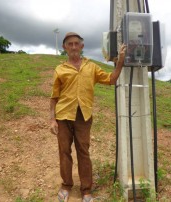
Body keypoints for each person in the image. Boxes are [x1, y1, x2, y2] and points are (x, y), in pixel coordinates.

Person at [50, 32, 126, 202]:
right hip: (63, 116)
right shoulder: (60, 69)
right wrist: (52, 119)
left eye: (77, 43)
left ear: (82, 46)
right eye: (70, 44)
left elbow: (111, 79)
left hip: (83, 116)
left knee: (83, 152)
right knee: (64, 152)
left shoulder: (91, 67)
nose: (74, 47)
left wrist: (120, 61)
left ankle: (86, 190)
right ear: (64, 47)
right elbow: (54, 97)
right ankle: (66, 185)